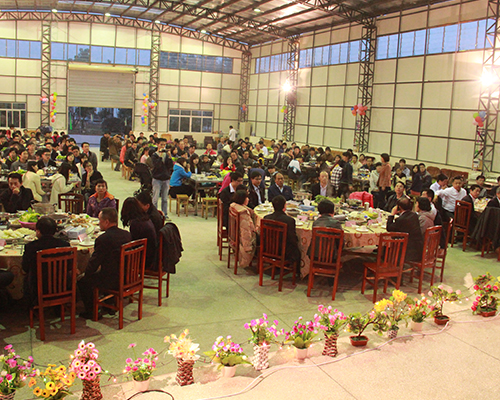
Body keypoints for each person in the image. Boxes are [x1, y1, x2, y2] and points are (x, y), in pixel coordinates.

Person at [77, 208, 132, 318]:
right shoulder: (127, 234)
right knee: (110, 268)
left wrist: (84, 273)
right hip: (128, 275)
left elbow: (94, 264)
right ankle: (109, 303)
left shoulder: (103, 239)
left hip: (112, 280)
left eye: (100, 220)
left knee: (83, 282)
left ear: (106, 222)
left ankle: (92, 312)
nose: (99, 223)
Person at [21, 217, 70, 306]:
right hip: (62, 286)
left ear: (38, 231)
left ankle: (29, 307)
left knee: (26, 279)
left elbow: (25, 268)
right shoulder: (65, 245)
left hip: (38, 288)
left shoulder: (31, 247)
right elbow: (69, 267)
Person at [264, 195, 301, 272]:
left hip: (267, 248)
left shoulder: (266, 218)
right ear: (284, 206)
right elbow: (293, 239)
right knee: (298, 249)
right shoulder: (289, 220)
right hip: (283, 252)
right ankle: (297, 272)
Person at [121, 197, 157, 271]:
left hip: (145, 260)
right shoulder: (145, 218)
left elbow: (134, 244)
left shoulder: (135, 224)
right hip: (152, 256)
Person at [386, 197, 424, 262]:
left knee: (386, 251)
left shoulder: (401, 220)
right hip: (418, 248)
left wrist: (392, 214)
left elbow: (389, 228)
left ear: (399, 207)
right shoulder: (414, 215)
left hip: (408, 252)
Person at [230, 190, 257, 268]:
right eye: (247, 197)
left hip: (235, 236)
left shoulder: (233, 207)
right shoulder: (243, 213)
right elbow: (246, 231)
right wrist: (247, 248)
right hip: (243, 239)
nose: (248, 199)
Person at [151, 140, 174, 219]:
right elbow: (157, 165)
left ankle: (165, 214)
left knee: (164, 199)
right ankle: (154, 215)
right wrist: (160, 156)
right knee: (155, 198)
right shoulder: (154, 155)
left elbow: (170, 166)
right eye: (161, 145)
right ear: (157, 145)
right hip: (157, 179)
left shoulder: (166, 155)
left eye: (164, 145)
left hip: (166, 179)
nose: (163, 146)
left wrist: (170, 157)